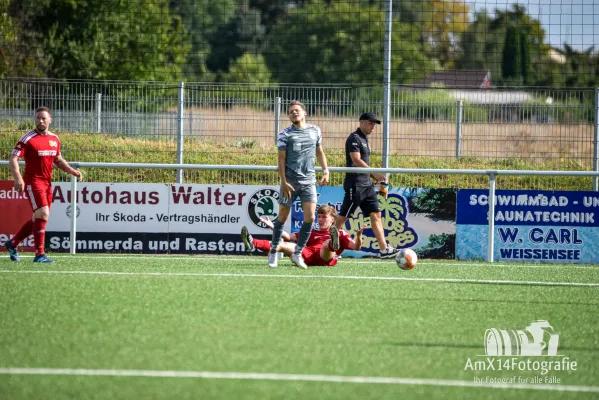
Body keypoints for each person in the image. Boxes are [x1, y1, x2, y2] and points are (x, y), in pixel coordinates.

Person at [5, 107, 83, 263]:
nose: (40, 121)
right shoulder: (27, 139)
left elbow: (58, 160)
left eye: (43, 118)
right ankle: (39, 254)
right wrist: (18, 178)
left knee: (38, 217)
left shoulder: (54, 139)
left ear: (50, 120)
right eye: (38, 118)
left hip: (47, 183)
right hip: (33, 181)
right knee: (44, 214)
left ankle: (12, 243)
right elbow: (13, 159)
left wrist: (72, 171)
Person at [267, 100, 329, 269]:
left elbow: (320, 152)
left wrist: (325, 170)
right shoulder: (285, 134)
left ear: (304, 113)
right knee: (282, 217)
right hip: (290, 182)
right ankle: (273, 252)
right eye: (291, 112)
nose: (294, 113)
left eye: (296, 110)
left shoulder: (315, 130)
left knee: (310, 218)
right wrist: (284, 182)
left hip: (309, 181)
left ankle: (297, 253)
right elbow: (281, 159)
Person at [335, 112, 400, 259]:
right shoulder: (354, 138)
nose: (373, 127)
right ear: (362, 122)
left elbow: (363, 163)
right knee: (342, 219)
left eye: (374, 124)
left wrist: (378, 180)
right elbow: (356, 160)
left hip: (367, 185)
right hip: (355, 185)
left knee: (376, 215)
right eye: (370, 123)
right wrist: (374, 172)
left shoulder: (365, 139)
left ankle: (384, 249)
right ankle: (328, 246)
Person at [241, 205, 363, 267]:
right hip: (308, 255)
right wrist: (273, 226)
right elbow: (288, 237)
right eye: (319, 216)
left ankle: (333, 243)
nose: (320, 220)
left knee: (326, 244)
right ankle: (253, 243)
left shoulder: (341, 233)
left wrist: (359, 236)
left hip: (325, 257)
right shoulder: (311, 232)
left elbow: (356, 247)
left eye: (324, 217)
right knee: (283, 245)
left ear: (333, 219)